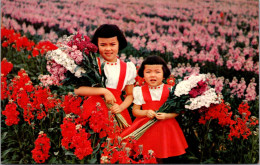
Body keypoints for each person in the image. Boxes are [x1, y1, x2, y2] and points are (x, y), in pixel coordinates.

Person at [120, 55, 188, 162]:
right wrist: (146, 112)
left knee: (162, 152)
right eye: (148, 72)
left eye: (157, 72)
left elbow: (177, 111)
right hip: (145, 127)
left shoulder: (170, 90)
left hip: (165, 127)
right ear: (143, 74)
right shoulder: (139, 90)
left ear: (164, 74)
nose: (152, 75)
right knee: (144, 153)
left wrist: (166, 115)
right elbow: (135, 111)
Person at [74, 24, 136, 126]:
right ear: (97, 45)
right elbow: (78, 90)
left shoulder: (128, 68)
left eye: (112, 44)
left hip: (116, 110)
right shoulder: (92, 64)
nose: (108, 49)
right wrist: (103, 91)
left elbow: (130, 95)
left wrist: (121, 107)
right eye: (103, 45)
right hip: (93, 109)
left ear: (119, 44)